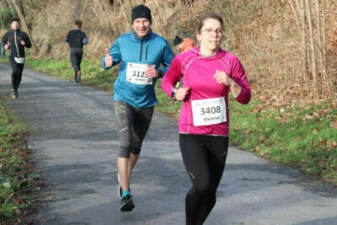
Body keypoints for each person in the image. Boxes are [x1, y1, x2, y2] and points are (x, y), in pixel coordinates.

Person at [161, 13, 251, 225]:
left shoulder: (231, 61)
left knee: (210, 193)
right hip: (191, 133)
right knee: (202, 185)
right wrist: (175, 93)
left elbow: (245, 97)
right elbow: (167, 81)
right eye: (209, 30)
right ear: (199, 35)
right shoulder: (185, 59)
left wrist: (230, 82)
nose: (214, 34)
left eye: (218, 30)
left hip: (219, 133)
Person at [101, 4, 174, 212]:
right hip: (123, 97)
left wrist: (159, 73)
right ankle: (125, 192)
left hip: (147, 102)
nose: (141, 25)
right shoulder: (123, 41)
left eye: (145, 21)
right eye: (137, 22)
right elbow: (107, 60)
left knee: (136, 146)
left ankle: (123, 175)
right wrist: (106, 61)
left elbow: (173, 67)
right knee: (125, 143)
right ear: (132, 23)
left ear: (150, 22)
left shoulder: (160, 43)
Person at [1, 18, 31, 99]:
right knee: (15, 71)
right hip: (12, 56)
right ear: (11, 25)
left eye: (17, 24)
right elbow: (3, 41)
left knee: (19, 75)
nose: (15, 25)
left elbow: (29, 45)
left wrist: (25, 44)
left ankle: (15, 89)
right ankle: (14, 89)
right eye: (14, 24)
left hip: (21, 57)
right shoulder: (8, 34)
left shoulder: (23, 34)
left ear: (18, 25)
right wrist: (5, 46)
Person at [65, 20, 88, 85]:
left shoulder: (70, 32)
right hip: (80, 50)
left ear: (75, 25)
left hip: (73, 49)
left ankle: (78, 74)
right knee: (78, 64)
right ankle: (77, 81)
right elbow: (86, 41)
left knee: (74, 64)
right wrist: (82, 43)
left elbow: (66, 40)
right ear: (81, 26)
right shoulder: (82, 33)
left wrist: (70, 40)